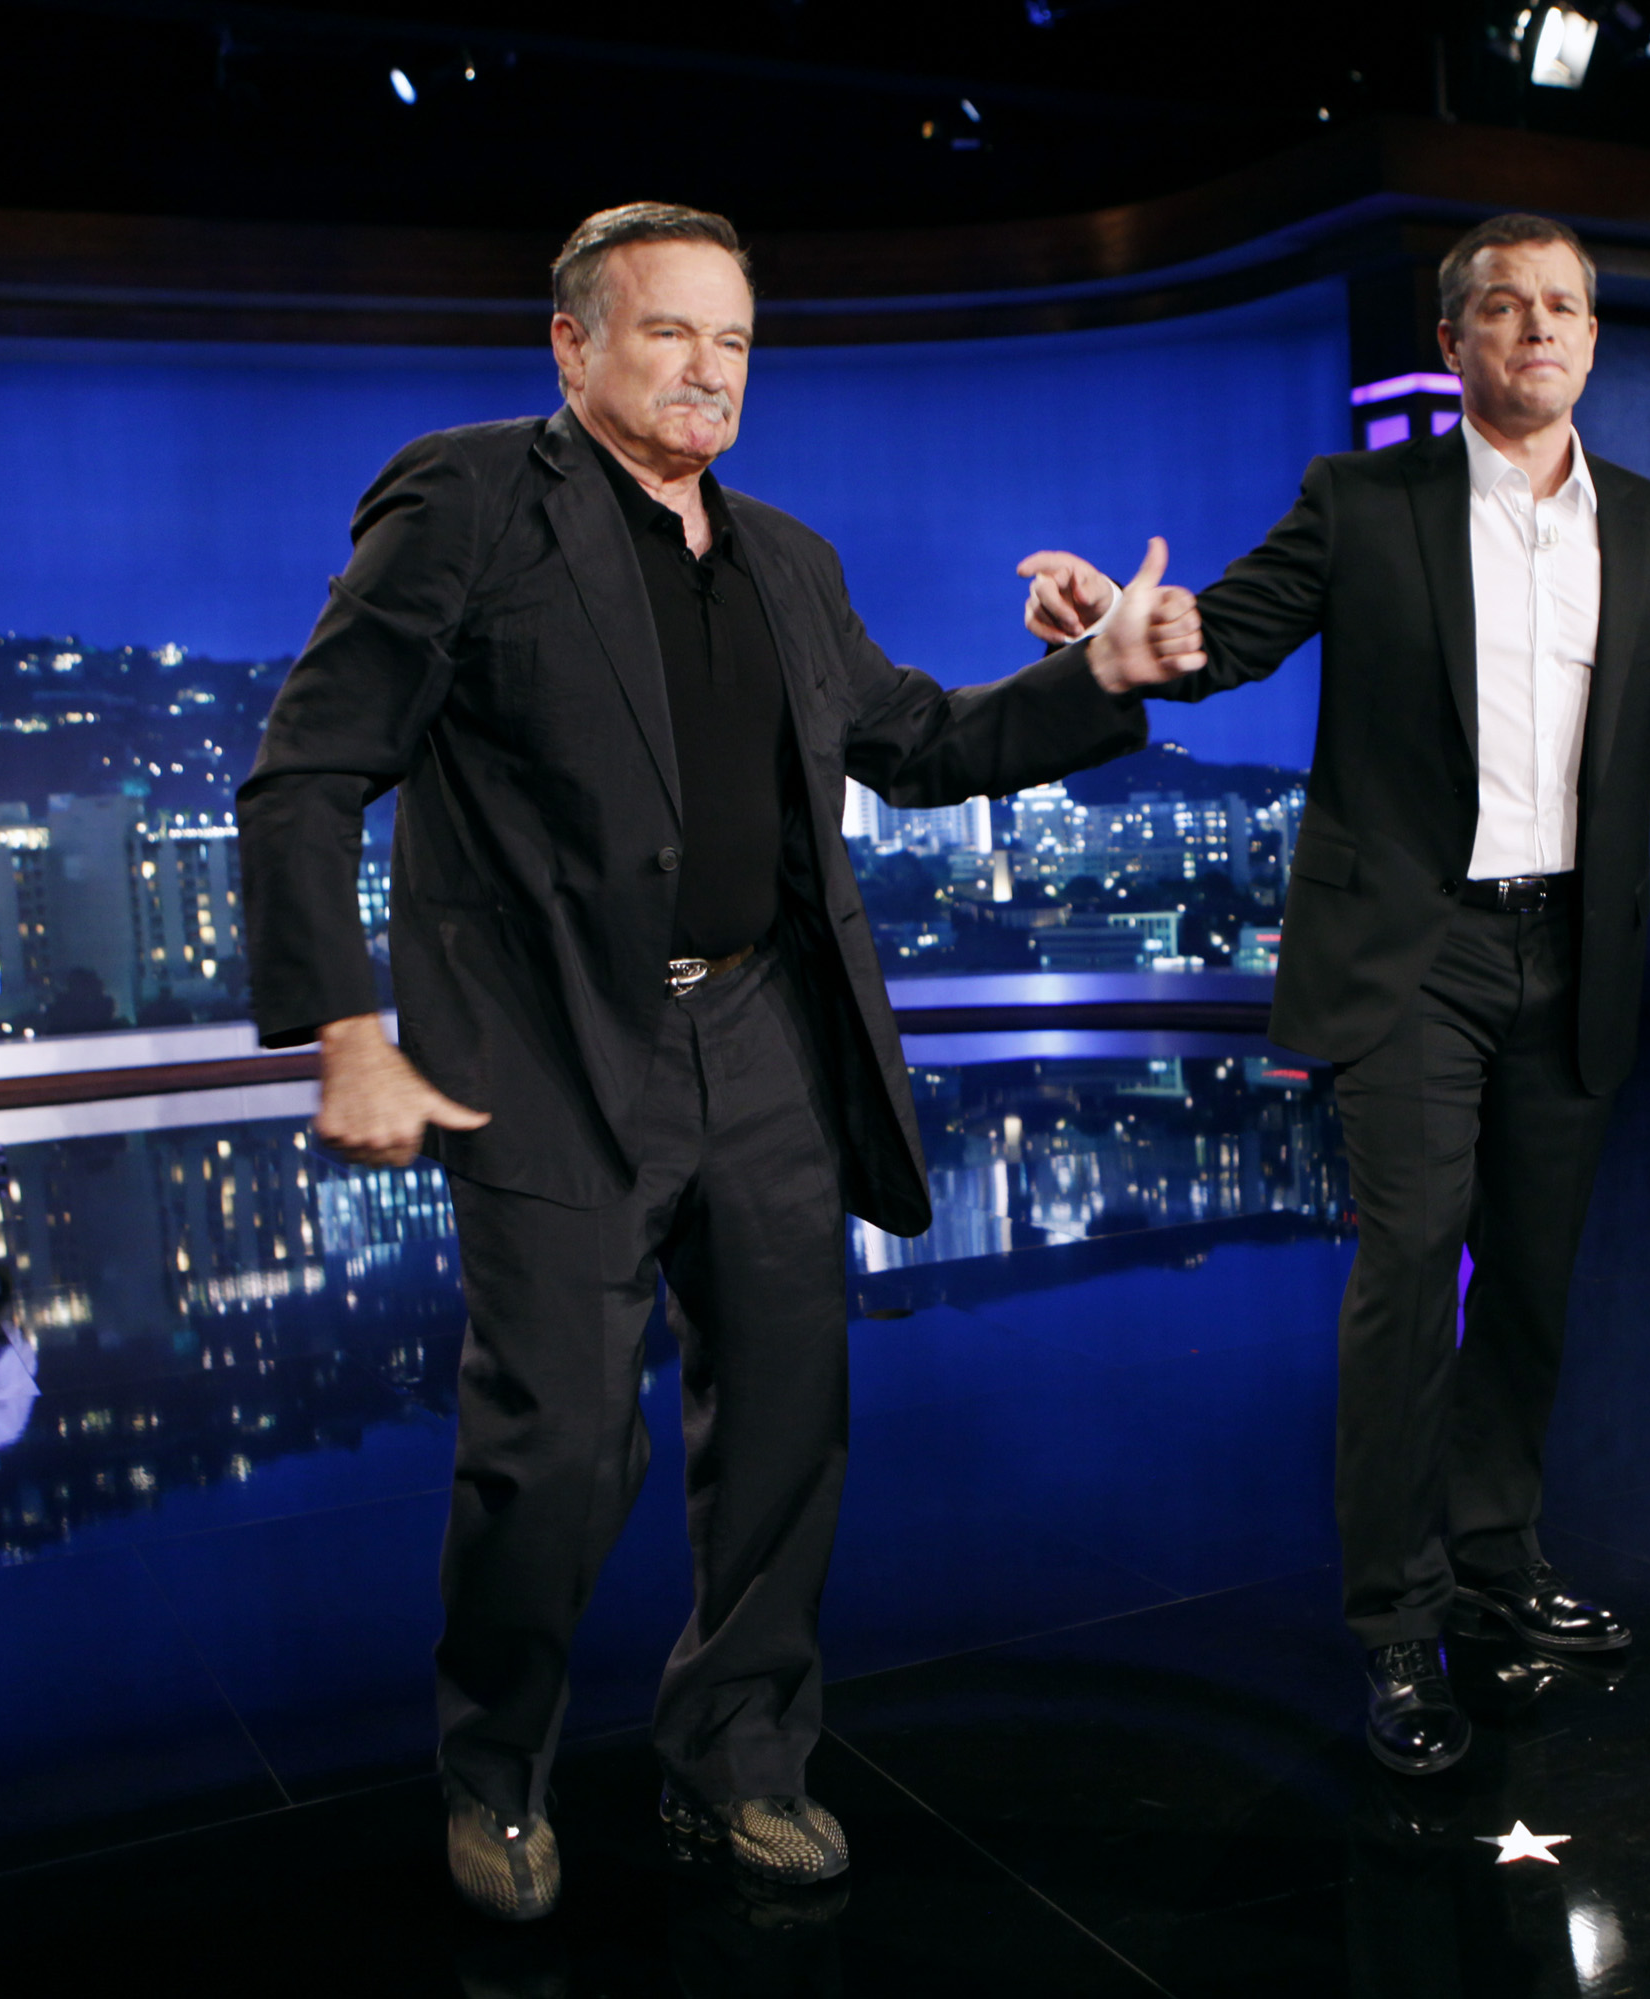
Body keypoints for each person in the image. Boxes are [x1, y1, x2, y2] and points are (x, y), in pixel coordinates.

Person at [234, 200, 1204, 1921]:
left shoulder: (789, 557)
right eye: (670, 330)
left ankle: (739, 1761)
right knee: (550, 1449)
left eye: (735, 339)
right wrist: (349, 1029)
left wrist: (1099, 674)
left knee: (784, 1422)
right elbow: (306, 771)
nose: (708, 367)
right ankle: (495, 1771)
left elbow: (915, 742)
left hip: (761, 1030)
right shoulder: (462, 497)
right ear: (574, 343)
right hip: (543, 1048)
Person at [1018, 214, 1650, 1776]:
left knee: (1538, 1283)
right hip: (1411, 956)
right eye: (1504, 306)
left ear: (1592, 338)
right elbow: (1224, 635)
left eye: (1563, 304)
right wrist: (1123, 625)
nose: (1538, 327)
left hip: (1576, 950)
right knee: (1412, 1272)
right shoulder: (1362, 503)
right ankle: (1396, 1623)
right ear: (1456, 345)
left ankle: (1498, 1564)